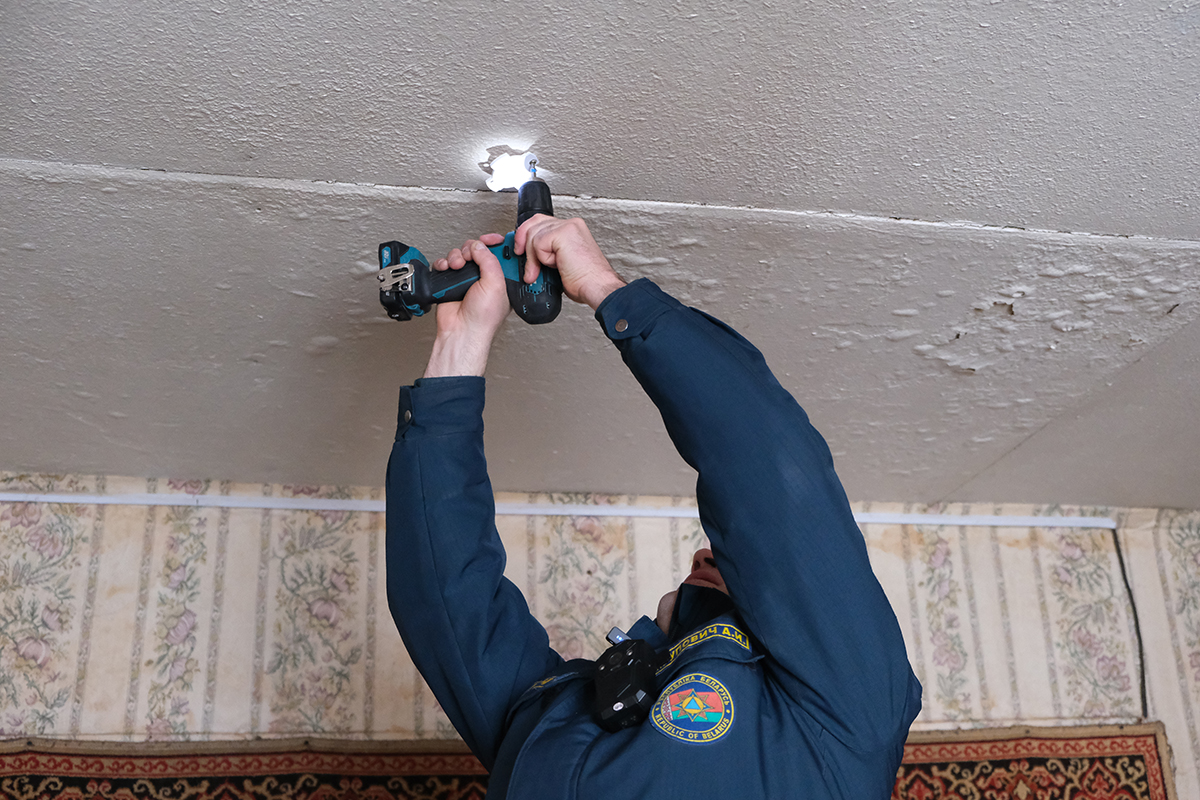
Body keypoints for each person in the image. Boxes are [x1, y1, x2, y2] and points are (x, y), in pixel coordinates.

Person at [386, 215, 922, 800]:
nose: (704, 554)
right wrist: (605, 296)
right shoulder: (847, 729)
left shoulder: (566, 716)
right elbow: (773, 476)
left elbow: (446, 605)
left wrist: (458, 353)